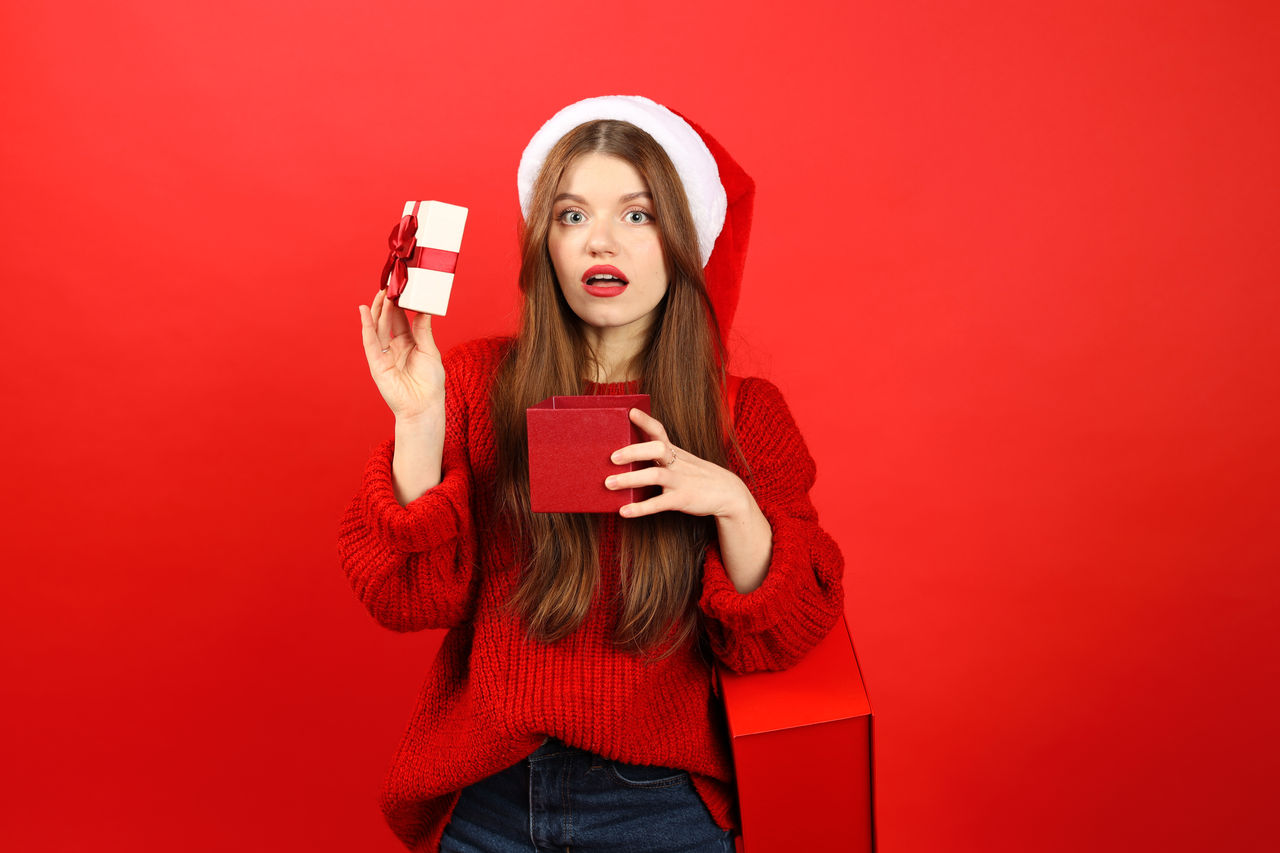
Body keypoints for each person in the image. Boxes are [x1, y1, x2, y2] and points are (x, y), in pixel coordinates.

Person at [340, 95, 845, 853]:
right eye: (571, 216)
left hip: (662, 813)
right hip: (492, 799)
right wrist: (419, 421)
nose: (598, 241)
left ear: (682, 239)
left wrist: (734, 506)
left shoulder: (744, 415)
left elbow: (780, 639)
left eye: (636, 216)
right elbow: (403, 596)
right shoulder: (478, 382)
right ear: (544, 242)